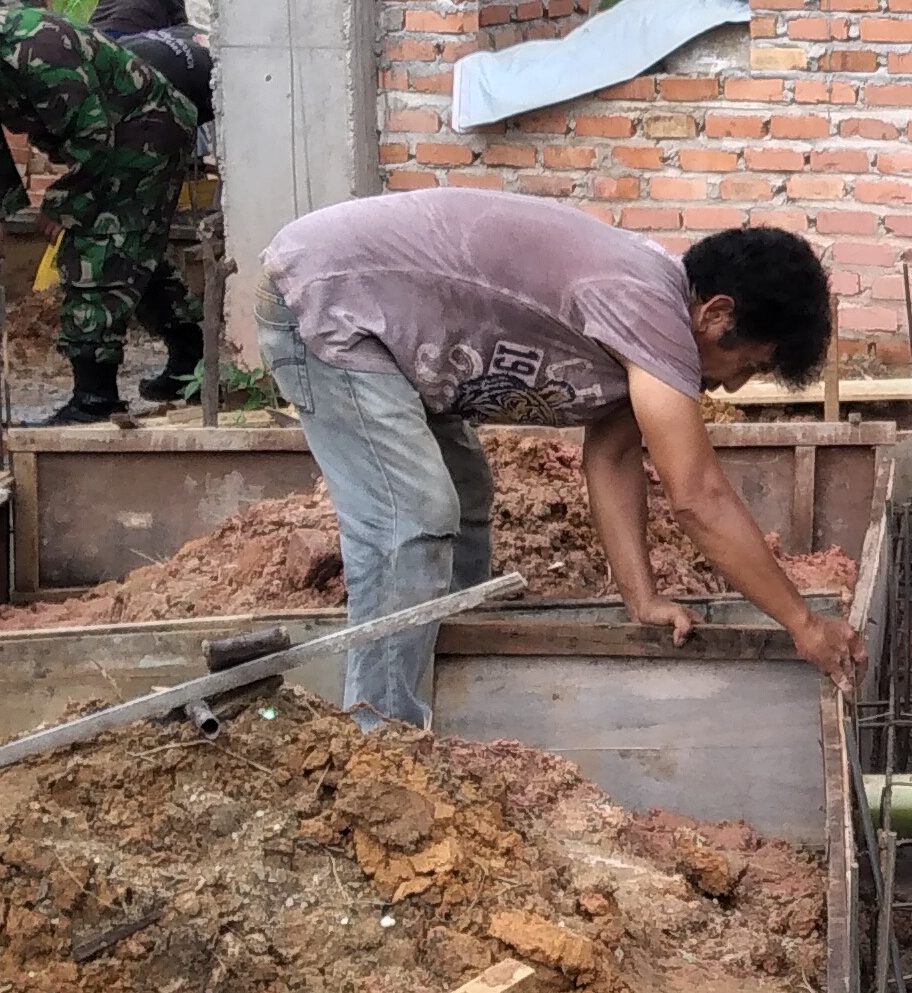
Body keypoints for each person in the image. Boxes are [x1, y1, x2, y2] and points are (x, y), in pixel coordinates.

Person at [258, 192, 867, 730]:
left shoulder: (648, 321)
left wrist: (642, 597)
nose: (733, 389)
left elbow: (612, 453)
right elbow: (697, 497)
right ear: (716, 316)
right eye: (750, 366)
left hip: (396, 327)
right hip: (331, 302)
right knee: (411, 517)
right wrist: (803, 623)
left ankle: (454, 656)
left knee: (464, 495)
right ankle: (379, 738)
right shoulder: (645, 304)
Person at [0, 0, 200, 422]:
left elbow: (94, 136)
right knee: (133, 251)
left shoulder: (38, 49)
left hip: (146, 127)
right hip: (109, 138)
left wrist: (63, 202)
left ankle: (95, 398)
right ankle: (193, 360)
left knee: (95, 248)